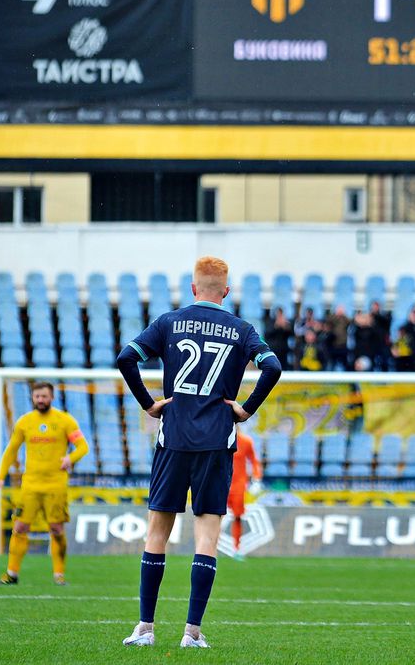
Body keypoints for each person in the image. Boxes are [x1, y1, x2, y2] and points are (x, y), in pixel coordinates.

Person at [116, 256, 282, 649]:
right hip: (216, 440)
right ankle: (191, 632)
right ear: (226, 291)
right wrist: (246, 409)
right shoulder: (241, 329)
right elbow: (272, 367)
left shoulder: (169, 322)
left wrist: (149, 404)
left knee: (157, 532)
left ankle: (145, 628)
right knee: (206, 536)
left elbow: (126, 358)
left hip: (173, 437)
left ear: (193, 288)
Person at [0, 381, 90, 586]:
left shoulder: (65, 420)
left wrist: (70, 458)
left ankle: (59, 574)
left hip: (55, 485)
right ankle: (11, 574)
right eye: (37, 396)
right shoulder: (25, 422)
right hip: (30, 485)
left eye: (44, 396)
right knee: (20, 527)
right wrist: (0, 477)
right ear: (32, 398)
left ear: (51, 397)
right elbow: (11, 450)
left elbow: (83, 447)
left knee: (56, 529)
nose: (40, 400)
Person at [228, 430, 263, 561]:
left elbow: (254, 461)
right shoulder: (217, 437)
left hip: (238, 486)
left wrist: (257, 479)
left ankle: (237, 548)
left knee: (237, 517)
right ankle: (210, 546)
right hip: (220, 484)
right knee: (214, 516)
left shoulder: (245, 441)